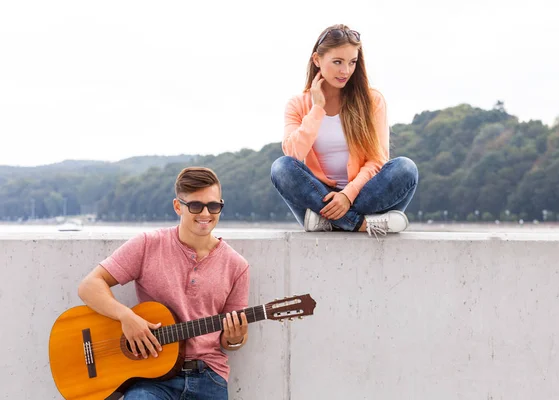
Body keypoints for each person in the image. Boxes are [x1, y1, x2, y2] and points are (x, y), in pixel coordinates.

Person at [77, 167, 249, 400]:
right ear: (178, 206)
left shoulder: (237, 265)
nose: (206, 214)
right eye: (196, 206)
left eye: (214, 206)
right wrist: (127, 318)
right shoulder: (148, 244)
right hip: (152, 377)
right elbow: (89, 286)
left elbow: (229, 342)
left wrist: (236, 338)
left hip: (208, 375)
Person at [271, 24, 418, 238]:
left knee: (406, 168)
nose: (345, 71)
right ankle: (360, 224)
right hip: (320, 199)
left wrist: (347, 196)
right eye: (338, 62)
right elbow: (294, 154)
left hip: (363, 195)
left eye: (352, 62)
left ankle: (333, 223)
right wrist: (317, 108)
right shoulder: (297, 104)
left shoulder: (372, 100)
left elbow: (377, 160)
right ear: (317, 60)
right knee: (280, 167)